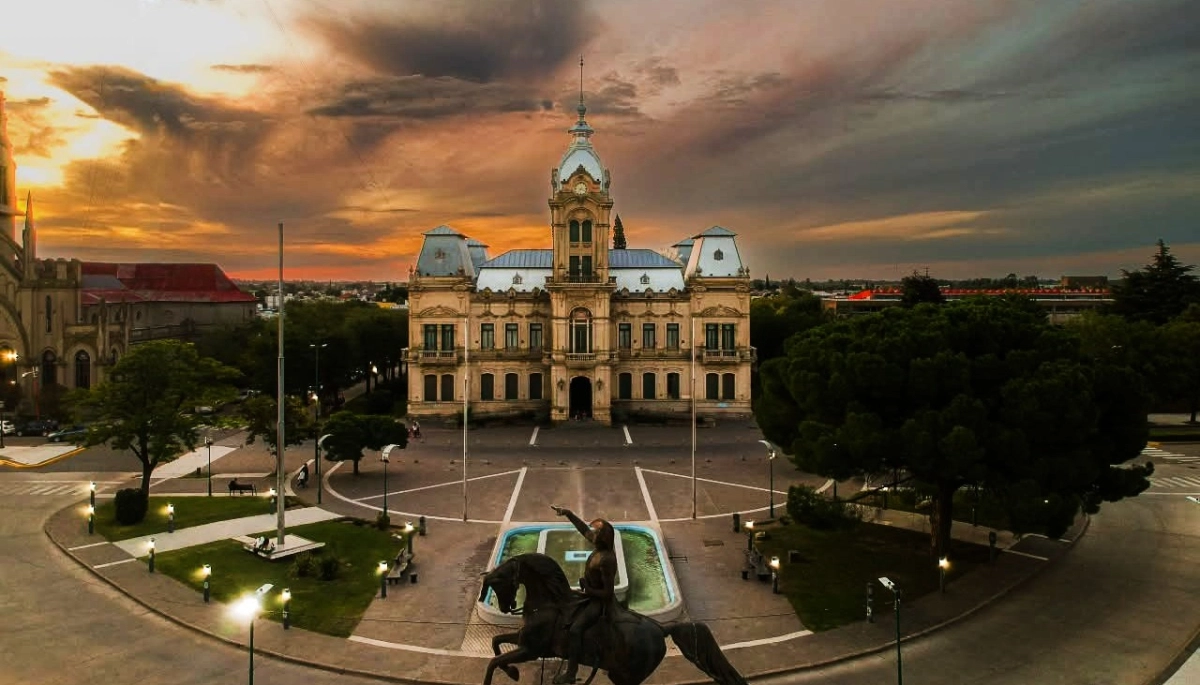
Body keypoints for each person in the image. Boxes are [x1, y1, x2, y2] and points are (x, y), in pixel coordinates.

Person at [550, 505, 618, 684]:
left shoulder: (607, 560)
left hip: (599, 603)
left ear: (602, 538)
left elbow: (608, 593)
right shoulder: (599, 547)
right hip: (589, 595)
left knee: (575, 629)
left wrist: (588, 589)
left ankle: (571, 673)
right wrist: (569, 514)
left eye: (596, 533)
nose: (591, 535)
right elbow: (584, 530)